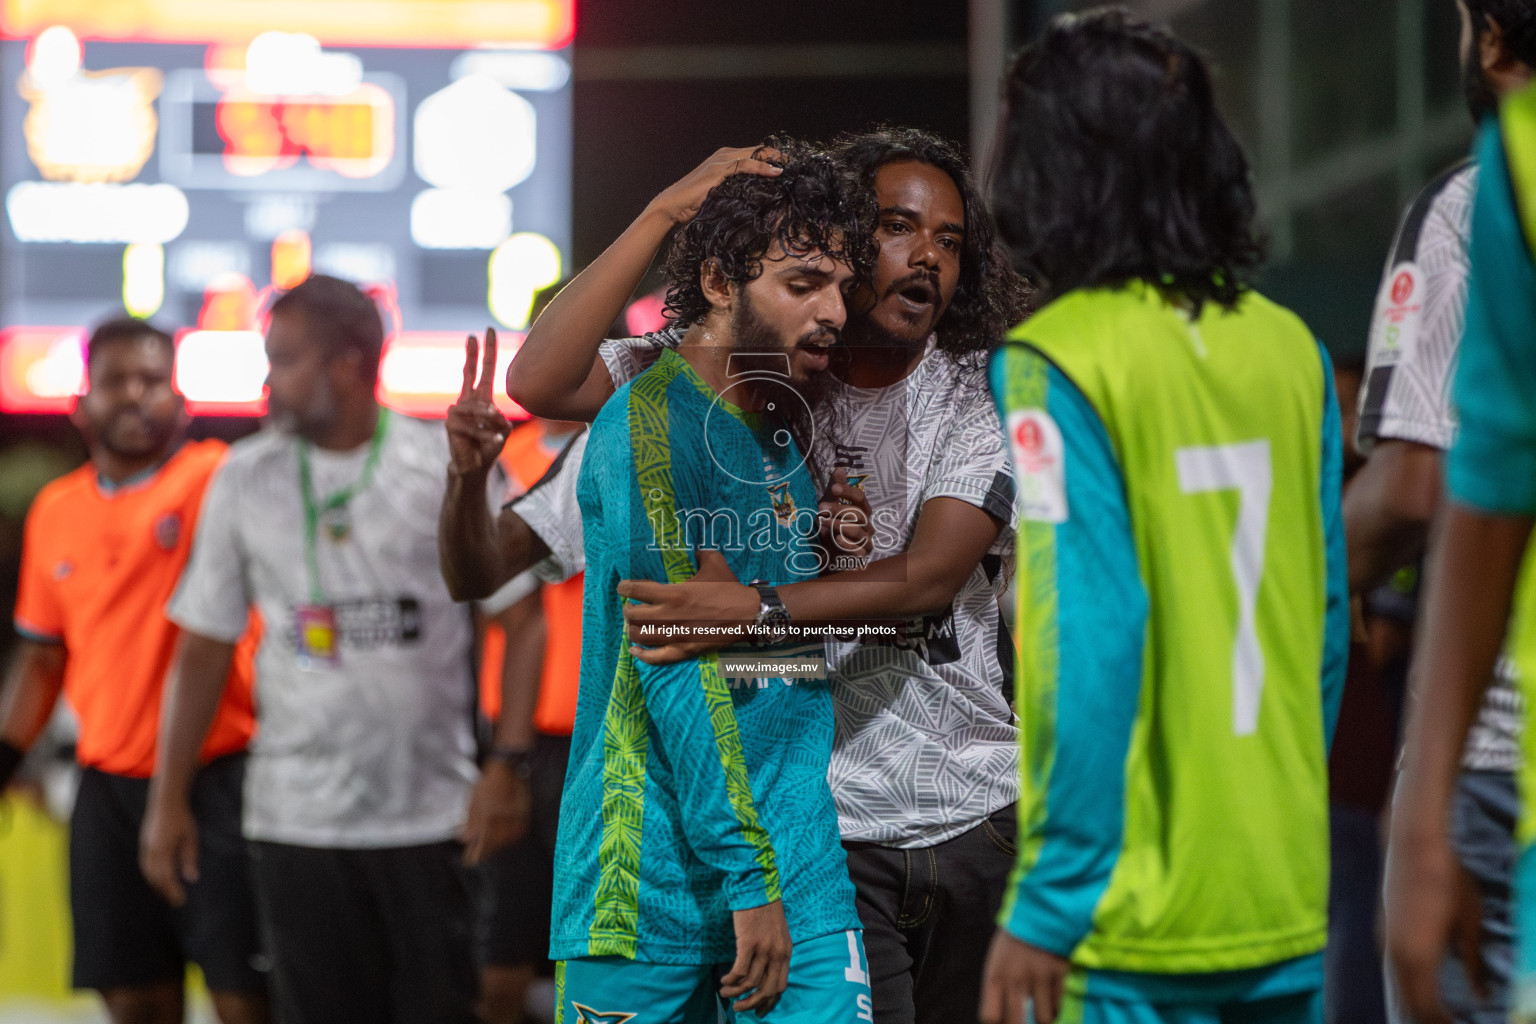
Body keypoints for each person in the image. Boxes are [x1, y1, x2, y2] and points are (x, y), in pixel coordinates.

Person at [511, 128, 1031, 1024]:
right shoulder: (741, 378)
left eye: (951, 240)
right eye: (898, 229)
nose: (928, 258)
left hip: (968, 806)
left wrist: (750, 611)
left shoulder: (978, 389)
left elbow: (924, 581)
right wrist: (668, 208)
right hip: (822, 831)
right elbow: (542, 381)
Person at [978, 11, 1347, 1024]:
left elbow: (1083, 635)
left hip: (1127, 916)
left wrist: (1048, 906)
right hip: (1281, 891)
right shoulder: (1293, 349)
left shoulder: (1056, 360)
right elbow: (1322, 628)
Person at [140, 275, 486, 1024]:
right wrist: (166, 802)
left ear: (348, 364)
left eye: (284, 359)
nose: (268, 381)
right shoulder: (243, 476)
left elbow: (514, 617)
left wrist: (507, 766)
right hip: (294, 820)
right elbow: (202, 646)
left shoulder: (438, 464)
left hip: (429, 816)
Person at [1349, 4, 1536, 1021]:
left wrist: (1282, 578)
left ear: (1495, 39)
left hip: (1501, 755)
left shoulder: (1485, 197)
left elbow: (1425, 482)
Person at [0, 317, 267, 1024]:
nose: (134, 396)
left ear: (180, 402)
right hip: (107, 788)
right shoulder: (55, 510)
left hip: (223, 777)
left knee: (246, 998)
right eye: (115, 380)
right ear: (79, 405)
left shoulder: (214, 478)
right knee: (133, 1001)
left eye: (152, 380)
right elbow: (40, 658)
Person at [471, 414, 589, 1024]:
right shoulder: (499, 460)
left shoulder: (627, 445)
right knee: (502, 951)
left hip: (605, 730)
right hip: (516, 730)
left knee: (599, 946)